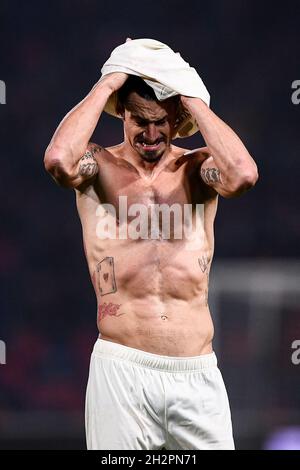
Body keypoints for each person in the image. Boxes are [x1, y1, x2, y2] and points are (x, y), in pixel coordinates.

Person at [44, 39, 258, 450]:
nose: (152, 133)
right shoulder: (98, 167)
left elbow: (243, 175)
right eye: (140, 120)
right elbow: (58, 160)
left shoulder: (197, 169)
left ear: (178, 119)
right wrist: (108, 85)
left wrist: (192, 98)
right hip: (122, 367)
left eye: (162, 121)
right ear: (121, 114)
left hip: (196, 370)